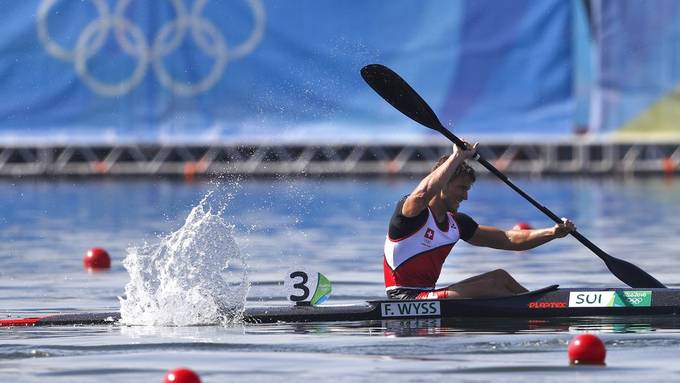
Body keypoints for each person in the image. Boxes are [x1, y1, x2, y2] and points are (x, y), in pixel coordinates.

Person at [384, 142, 575, 300]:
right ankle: (542, 307)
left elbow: (508, 238)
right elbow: (422, 194)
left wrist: (552, 232)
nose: (465, 196)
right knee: (492, 285)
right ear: (443, 185)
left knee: (501, 277)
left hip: (428, 295)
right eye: (461, 188)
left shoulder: (457, 223)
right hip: (404, 299)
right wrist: (457, 156)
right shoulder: (411, 213)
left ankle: (539, 305)